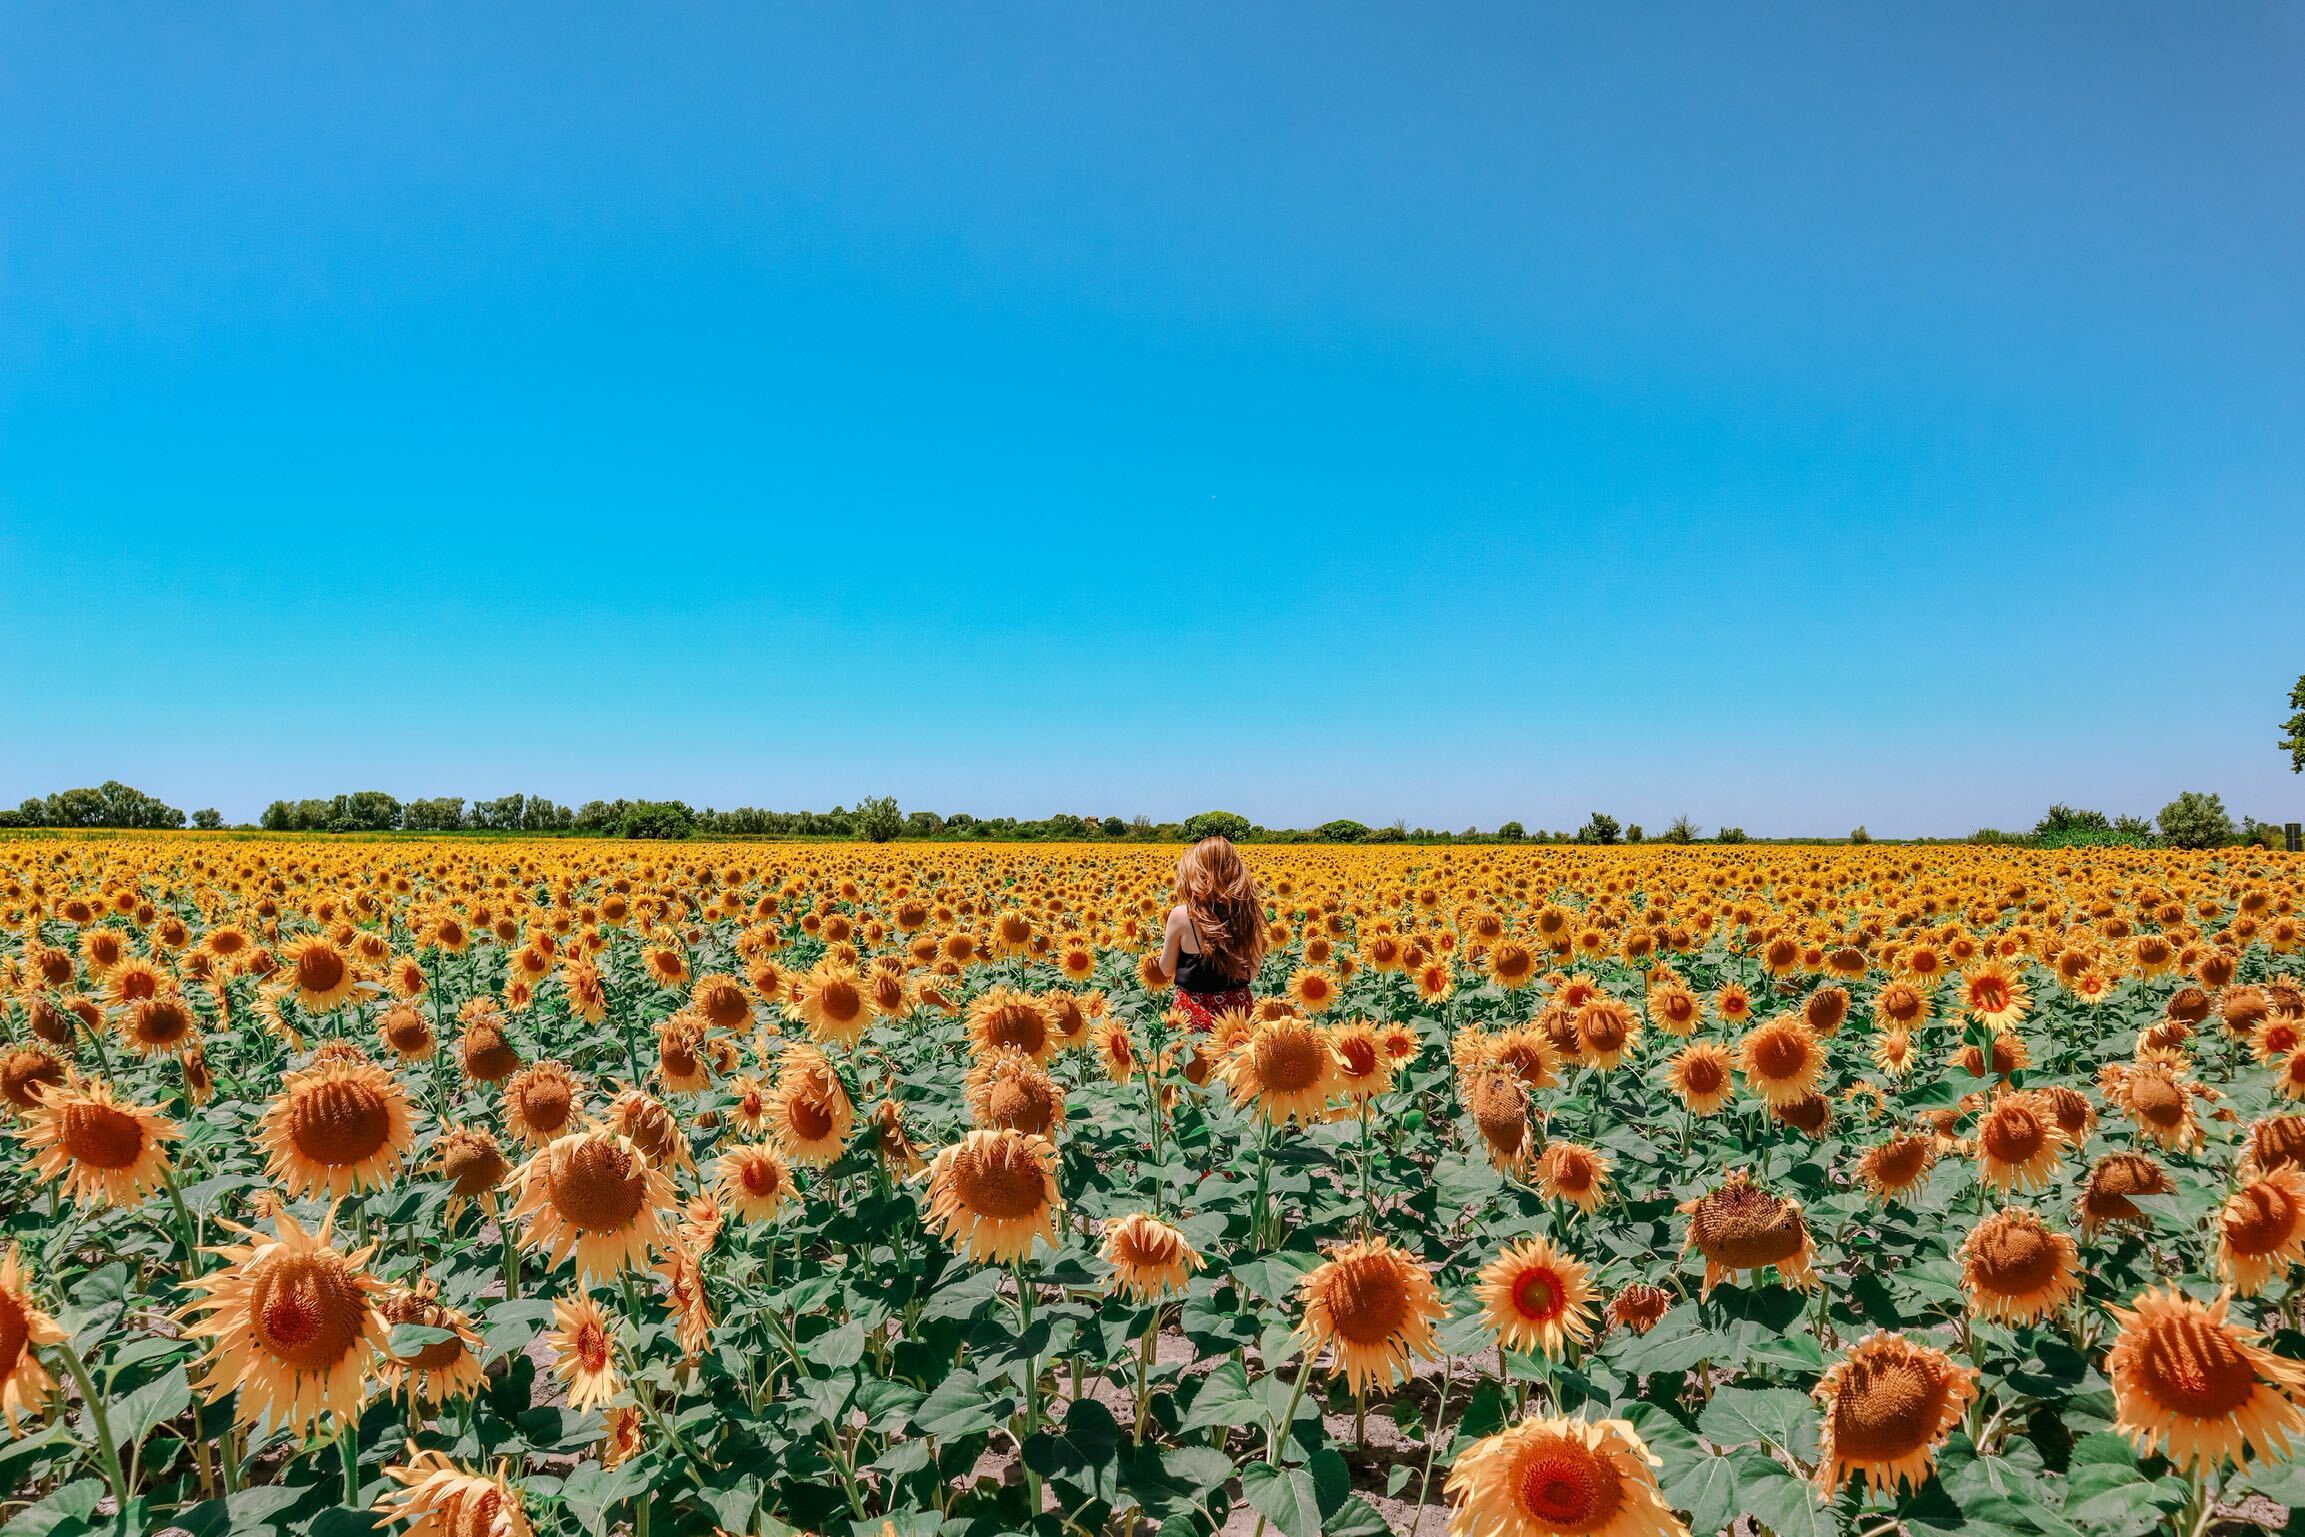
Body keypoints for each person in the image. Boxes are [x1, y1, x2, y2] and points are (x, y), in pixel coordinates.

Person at [1149, 835, 1267, 1031]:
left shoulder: (1182, 915)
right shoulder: (1249, 915)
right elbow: (1253, 971)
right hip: (1237, 1015)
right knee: (1236, 1052)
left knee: (1193, 1051)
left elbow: (1166, 969)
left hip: (1193, 1014)